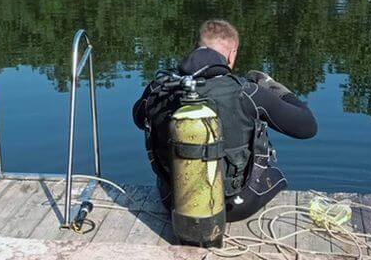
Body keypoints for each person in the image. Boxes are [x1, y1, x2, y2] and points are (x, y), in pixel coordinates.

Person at [132, 19, 317, 222]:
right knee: (275, 177)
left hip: (175, 202)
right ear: (231, 55)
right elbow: (307, 127)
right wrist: (272, 86)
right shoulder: (248, 92)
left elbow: (138, 118)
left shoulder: (159, 87)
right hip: (234, 207)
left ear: (196, 49)